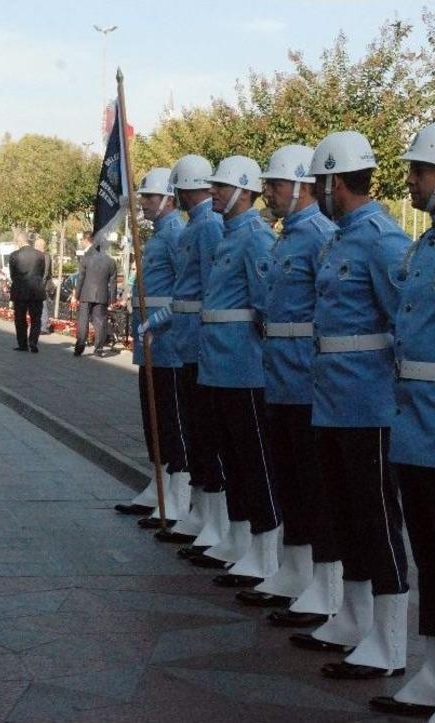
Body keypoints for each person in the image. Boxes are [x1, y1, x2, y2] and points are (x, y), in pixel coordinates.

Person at [287, 131, 411, 682]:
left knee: (377, 520)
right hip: (333, 397)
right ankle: (355, 619)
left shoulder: (382, 239)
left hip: (368, 402)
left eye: (319, 183)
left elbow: (401, 322)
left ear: (336, 182)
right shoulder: (340, 238)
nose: (315, 193)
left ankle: (390, 639)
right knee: (345, 513)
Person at [369, 120, 435, 719]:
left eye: (421, 169)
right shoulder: (430, 241)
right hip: (416, 421)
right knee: (431, 555)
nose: (409, 179)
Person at [240, 146, 339, 619]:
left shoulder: (320, 235)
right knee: (290, 481)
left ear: (302, 185)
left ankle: (326, 581)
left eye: (276, 185)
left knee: (314, 484)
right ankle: (296, 569)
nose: (269, 194)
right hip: (279, 374)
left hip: (306, 378)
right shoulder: (285, 238)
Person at [179, 156, 282, 591]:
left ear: (244, 190)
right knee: (234, 458)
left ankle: (265, 548)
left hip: (242, 365)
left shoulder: (256, 236)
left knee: (252, 460)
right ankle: (240, 539)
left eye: (221, 186)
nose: (214, 192)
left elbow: (264, 304)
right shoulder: (229, 235)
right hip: (219, 363)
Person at [129, 168, 191, 535]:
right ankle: (159, 481)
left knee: (170, 419)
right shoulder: (156, 236)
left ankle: (178, 491)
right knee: (153, 419)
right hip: (149, 336)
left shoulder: (175, 234)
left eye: (150, 197)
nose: (145, 203)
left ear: (169, 197)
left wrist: (159, 321)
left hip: (166, 338)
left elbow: (183, 287)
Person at [71, 231, 117, 357]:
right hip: (102, 295)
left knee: (83, 320)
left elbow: (81, 277)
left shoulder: (86, 257)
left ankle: (79, 347)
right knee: (100, 321)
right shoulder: (111, 261)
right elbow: (113, 282)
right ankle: (99, 349)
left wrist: (76, 295)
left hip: (86, 294)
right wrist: (112, 300)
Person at [7, 233, 48, 353]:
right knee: (36, 319)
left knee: (20, 319)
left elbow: (13, 275)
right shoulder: (40, 255)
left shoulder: (14, 255)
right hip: (36, 292)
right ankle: (33, 342)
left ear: (19, 242)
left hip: (20, 291)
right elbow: (42, 273)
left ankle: (22, 344)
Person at [34, 238, 54, 334]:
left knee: (43, 305)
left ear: (39, 246)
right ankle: (40, 325)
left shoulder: (46, 256)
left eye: (35, 246)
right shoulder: (38, 256)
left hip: (43, 286)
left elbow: (45, 273)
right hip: (38, 284)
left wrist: (40, 285)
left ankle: (44, 327)